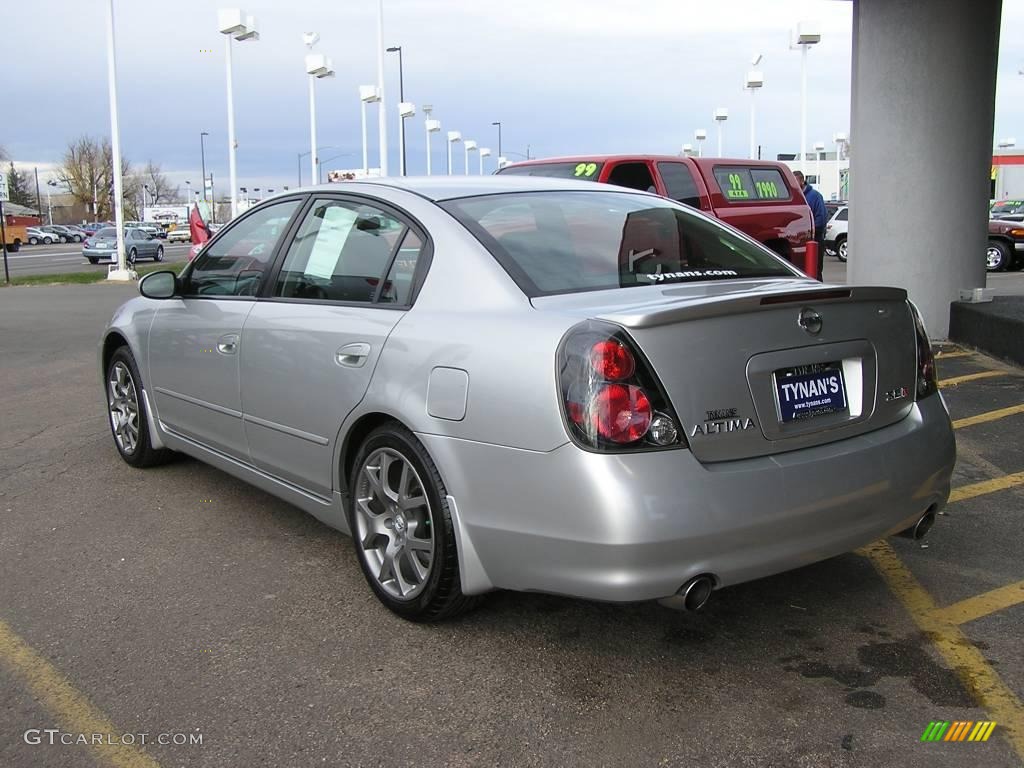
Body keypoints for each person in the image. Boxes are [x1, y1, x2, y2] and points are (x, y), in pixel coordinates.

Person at [795, 171, 827, 280]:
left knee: (815, 271)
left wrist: (807, 230)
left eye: (795, 181)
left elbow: (821, 219)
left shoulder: (815, 196)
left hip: (815, 239)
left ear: (802, 181)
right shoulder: (795, 197)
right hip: (798, 240)